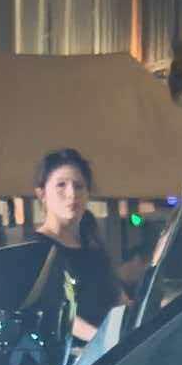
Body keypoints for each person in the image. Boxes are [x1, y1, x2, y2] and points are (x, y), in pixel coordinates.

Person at [26, 147, 121, 347]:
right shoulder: (35, 250)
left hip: (110, 351)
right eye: (61, 185)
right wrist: (102, 339)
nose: (72, 194)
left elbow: (118, 300)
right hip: (72, 357)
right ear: (42, 194)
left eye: (79, 186)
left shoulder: (94, 250)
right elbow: (53, 310)